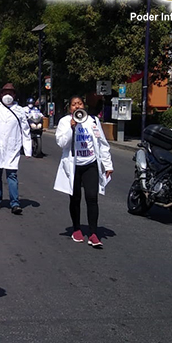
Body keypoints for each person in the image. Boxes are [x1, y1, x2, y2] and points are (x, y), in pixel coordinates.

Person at [54, 95, 114, 247]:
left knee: (92, 197)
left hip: (90, 164)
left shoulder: (93, 121)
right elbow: (62, 143)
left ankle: (93, 233)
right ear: (70, 108)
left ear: (84, 106)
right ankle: (76, 229)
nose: (77, 106)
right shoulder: (64, 122)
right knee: (75, 198)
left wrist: (108, 165)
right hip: (73, 166)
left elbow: (102, 143)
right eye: (74, 104)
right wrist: (71, 127)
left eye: (79, 103)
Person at [0, 83, 31, 215]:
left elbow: (25, 130)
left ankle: (15, 203)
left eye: (10, 93)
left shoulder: (19, 110)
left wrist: (27, 149)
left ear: (14, 95)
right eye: (5, 92)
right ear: (1, 94)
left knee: (11, 175)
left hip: (12, 147)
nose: (7, 95)